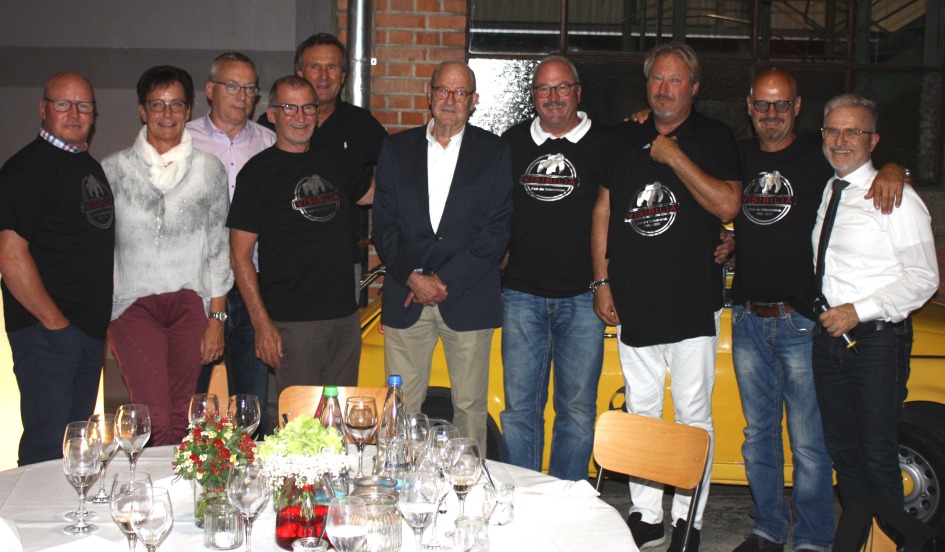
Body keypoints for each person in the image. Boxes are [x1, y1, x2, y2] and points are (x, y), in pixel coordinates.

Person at [732, 69, 907, 552]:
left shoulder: (821, 151)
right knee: (758, 437)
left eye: (781, 104)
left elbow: (865, 154)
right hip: (747, 317)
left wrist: (897, 169)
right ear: (749, 106)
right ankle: (767, 530)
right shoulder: (737, 153)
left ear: (797, 106)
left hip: (802, 320)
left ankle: (812, 538)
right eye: (762, 104)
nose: (771, 113)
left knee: (810, 442)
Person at [591, 42, 741, 551]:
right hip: (634, 299)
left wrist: (674, 155)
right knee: (642, 411)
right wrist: (601, 281)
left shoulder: (714, 137)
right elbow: (603, 210)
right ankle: (648, 514)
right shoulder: (623, 137)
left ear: (693, 87)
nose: (664, 88)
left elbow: (728, 204)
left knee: (694, 412)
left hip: (692, 300)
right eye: (657, 78)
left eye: (676, 80)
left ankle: (688, 518)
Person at [372, 61, 513, 451]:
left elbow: (497, 230)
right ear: (428, 93)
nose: (450, 99)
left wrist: (444, 282)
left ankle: (468, 483)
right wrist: (413, 276)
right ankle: (398, 480)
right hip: (407, 293)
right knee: (400, 408)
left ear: (474, 100)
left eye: (460, 92)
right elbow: (383, 224)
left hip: (467, 295)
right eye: (443, 90)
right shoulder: (396, 148)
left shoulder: (495, 152)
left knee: (469, 407)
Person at [812, 94, 937, 511]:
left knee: (878, 456)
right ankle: (861, 536)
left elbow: (923, 278)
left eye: (853, 131)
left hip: (877, 342)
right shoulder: (831, 188)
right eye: (833, 130)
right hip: (830, 341)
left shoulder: (894, 196)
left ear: (873, 139)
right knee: (844, 455)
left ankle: (890, 539)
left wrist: (857, 311)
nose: (840, 140)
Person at [103, 65, 233, 446]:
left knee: (184, 415)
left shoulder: (209, 170)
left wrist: (217, 319)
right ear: (142, 110)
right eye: (157, 104)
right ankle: (156, 483)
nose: (167, 113)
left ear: (188, 110)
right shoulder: (113, 171)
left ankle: (177, 484)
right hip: (132, 306)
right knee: (154, 416)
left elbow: (219, 249)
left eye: (176, 104)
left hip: (190, 305)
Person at [499, 55, 608, 481]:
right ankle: (524, 500)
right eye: (544, 88)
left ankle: (568, 501)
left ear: (578, 92)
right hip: (521, 296)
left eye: (562, 87)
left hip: (583, 299)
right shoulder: (511, 143)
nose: (554, 96)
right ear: (533, 96)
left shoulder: (606, 142)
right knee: (519, 410)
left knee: (577, 411)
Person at [227, 76, 372, 398]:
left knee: (340, 417)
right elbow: (239, 255)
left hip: (344, 318)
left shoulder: (334, 160)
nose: (301, 117)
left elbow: (375, 193)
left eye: (308, 108)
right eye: (289, 108)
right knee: (300, 419)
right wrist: (262, 324)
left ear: (317, 114)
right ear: (272, 114)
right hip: (293, 323)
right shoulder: (257, 173)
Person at [0, 72, 114, 466]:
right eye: (63, 104)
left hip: (85, 335)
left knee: (75, 452)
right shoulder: (25, 170)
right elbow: (10, 255)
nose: (74, 113)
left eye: (83, 106)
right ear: (43, 109)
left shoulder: (88, 166)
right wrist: (55, 323)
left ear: (93, 114)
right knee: (45, 451)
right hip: (47, 336)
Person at [261, 33, 388, 302]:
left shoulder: (361, 124)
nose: (323, 76)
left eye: (332, 67)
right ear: (299, 73)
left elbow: (399, 173)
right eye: (315, 67)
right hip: (281, 263)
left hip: (340, 264)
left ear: (343, 75)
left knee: (342, 329)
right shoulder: (269, 124)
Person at [187, 52, 275, 433]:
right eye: (233, 86)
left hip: (252, 286)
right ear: (210, 90)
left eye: (250, 89)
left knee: (250, 409)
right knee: (189, 404)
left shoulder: (271, 143)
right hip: (197, 288)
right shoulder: (183, 140)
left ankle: (246, 470)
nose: (242, 96)